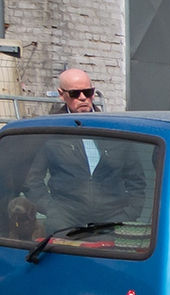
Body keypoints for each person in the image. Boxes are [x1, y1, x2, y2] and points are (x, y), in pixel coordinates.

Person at [23, 68, 145, 231]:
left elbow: (136, 179)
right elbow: (32, 180)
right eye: (75, 94)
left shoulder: (114, 130)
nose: (83, 98)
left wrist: (129, 213)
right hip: (65, 223)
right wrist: (53, 210)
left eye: (88, 92)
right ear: (62, 94)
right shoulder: (50, 131)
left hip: (112, 222)